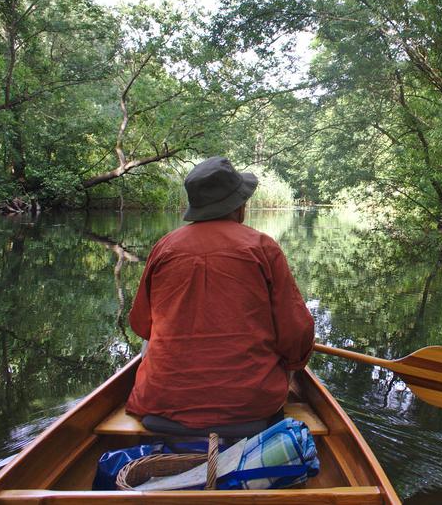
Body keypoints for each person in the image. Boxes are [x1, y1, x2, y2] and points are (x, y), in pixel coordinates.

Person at [125, 156, 314, 435]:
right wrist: (290, 365)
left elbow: (141, 325)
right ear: (239, 206)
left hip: (161, 402)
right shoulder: (263, 248)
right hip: (251, 406)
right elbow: (297, 332)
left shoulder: (164, 247)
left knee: (150, 340)